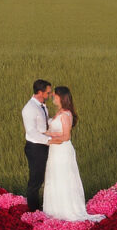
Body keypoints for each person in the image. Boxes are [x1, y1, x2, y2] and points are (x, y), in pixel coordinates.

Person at [43, 86, 104, 222]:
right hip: (55, 150)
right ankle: (54, 209)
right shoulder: (60, 112)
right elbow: (58, 132)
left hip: (62, 150)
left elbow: (66, 137)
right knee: (54, 176)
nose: (53, 97)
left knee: (63, 177)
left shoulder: (65, 114)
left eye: (55, 96)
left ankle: (66, 209)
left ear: (61, 97)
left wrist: (49, 139)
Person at [21, 79, 52, 212]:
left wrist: (57, 122)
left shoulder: (42, 104)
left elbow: (44, 123)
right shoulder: (29, 109)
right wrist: (50, 140)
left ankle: (44, 205)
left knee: (46, 176)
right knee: (36, 179)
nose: (50, 95)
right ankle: (33, 210)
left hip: (43, 145)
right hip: (35, 148)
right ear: (40, 92)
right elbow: (32, 132)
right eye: (48, 92)